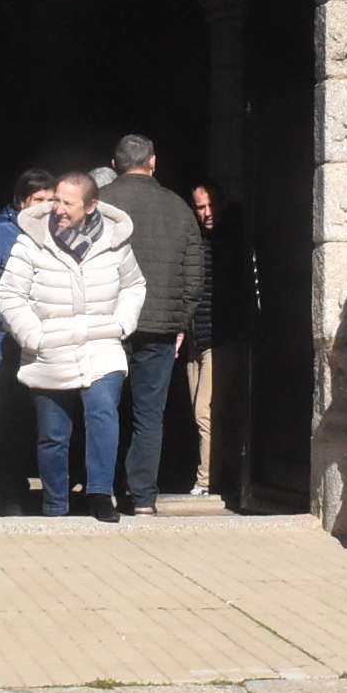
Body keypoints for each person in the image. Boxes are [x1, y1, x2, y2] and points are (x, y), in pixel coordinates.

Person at [0, 172, 143, 521]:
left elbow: (134, 285)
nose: (57, 208)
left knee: (103, 413)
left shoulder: (115, 241)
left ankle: (100, 494)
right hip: (51, 348)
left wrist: (121, 323)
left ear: (91, 207)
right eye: (56, 200)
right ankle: (55, 503)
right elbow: (10, 293)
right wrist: (34, 336)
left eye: (67, 202)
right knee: (53, 433)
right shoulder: (32, 240)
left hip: (101, 342)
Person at [101, 135, 205, 515]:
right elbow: (194, 274)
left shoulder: (102, 204)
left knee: (104, 407)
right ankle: (143, 496)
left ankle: (104, 488)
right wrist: (181, 321)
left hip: (108, 325)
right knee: (149, 413)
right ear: (154, 163)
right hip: (161, 326)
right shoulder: (178, 208)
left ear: (114, 164)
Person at [0, 170, 56, 517]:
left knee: (30, 419)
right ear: (22, 202)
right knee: (6, 418)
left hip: (38, 343)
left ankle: (18, 487)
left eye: (51, 202)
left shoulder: (51, 235)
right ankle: (4, 491)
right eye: (39, 201)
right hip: (1, 342)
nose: (46, 209)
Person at [180, 179, 252, 500]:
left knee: (204, 411)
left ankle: (207, 479)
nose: (207, 213)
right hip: (196, 336)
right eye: (200, 207)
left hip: (221, 338)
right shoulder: (193, 240)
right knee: (201, 410)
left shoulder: (233, 242)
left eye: (211, 206)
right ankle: (216, 473)